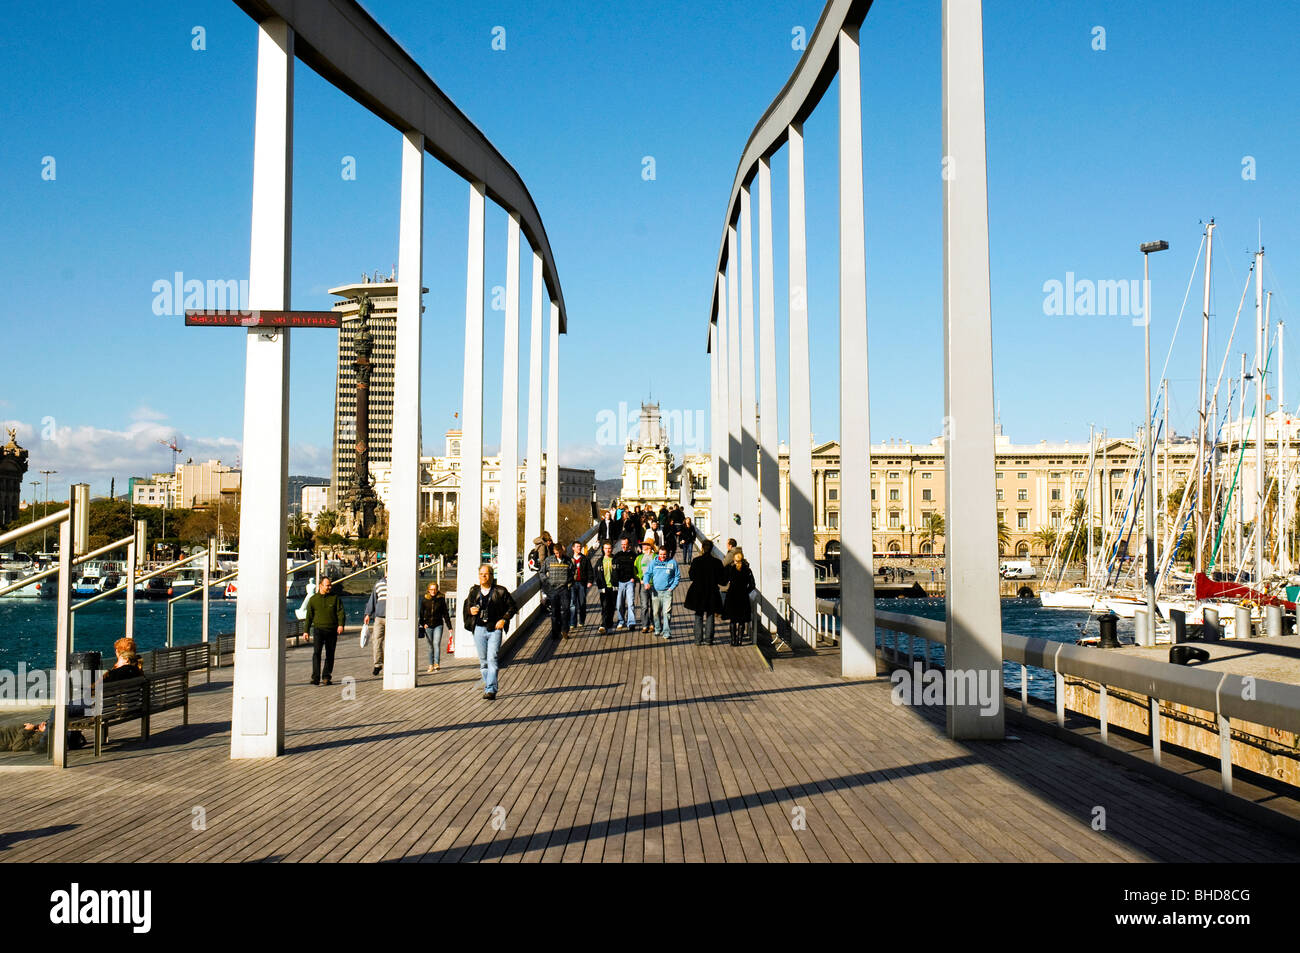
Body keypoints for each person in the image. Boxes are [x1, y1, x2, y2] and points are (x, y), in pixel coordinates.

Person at [462, 563, 518, 700]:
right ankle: (488, 686)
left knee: (492, 658)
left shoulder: (500, 591)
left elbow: (512, 607)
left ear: (492, 576)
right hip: (479, 629)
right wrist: (470, 610)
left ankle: (491, 689)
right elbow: (466, 606)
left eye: (486, 574)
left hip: (494, 629)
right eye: (481, 574)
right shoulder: (474, 592)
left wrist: (504, 619)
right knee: (483, 661)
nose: (483, 577)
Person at [303, 576, 345, 686]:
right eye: (327, 585)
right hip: (318, 630)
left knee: (330, 654)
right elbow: (309, 617)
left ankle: (326, 676)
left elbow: (340, 612)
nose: (329, 587)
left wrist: (341, 625)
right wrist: (306, 631)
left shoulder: (335, 598)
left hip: (331, 630)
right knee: (316, 653)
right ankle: (315, 677)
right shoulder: (313, 600)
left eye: (330, 585)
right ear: (321, 586)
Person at [684, 538, 723, 644]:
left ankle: (698, 639)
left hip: (698, 591)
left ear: (702, 548)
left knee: (698, 614)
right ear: (712, 549)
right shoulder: (717, 562)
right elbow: (721, 580)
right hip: (712, 592)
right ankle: (709, 639)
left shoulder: (696, 561)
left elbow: (691, 576)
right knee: (710, 614)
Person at [642, 544, 681, 640]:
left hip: (667, 592)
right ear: (658, 554)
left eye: (664, 554)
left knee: (666, 613)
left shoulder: (672, 563)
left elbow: (677, 576)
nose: (662, 556)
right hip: (656, 591)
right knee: (655, 612)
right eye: (660, 554)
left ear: (667, 554)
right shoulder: (653, 563)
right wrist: (646, 582)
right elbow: (647, 574)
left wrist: (672, 588)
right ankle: (658, 628)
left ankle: (666, 632)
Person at [722, 547, 756, 646]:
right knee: (741, 620)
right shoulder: (747, 570)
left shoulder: (730, 569)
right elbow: (752, 585)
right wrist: (746, 591)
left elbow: (723, 581)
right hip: (743, 596)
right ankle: (740, 641)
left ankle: (733, 640)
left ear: (734, 559)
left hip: (732, 596)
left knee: (733, 620)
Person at [540, 543, 574, 640]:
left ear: (562, 551)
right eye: (556, 553)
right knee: (555, 612)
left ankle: (564, 630)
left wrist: (569, 581)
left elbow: (572, 572)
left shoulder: (568, 560)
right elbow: (542, 572)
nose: (557, 555)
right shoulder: (549, 560)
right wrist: (547, 581)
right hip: (553, 589)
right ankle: (555, 632)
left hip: (564, 588)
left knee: (566, 609)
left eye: (559, 553)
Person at [420, 580, 451, 674]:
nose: (433, 591)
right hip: (428, 626)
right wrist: (423, 623)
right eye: (431, 589)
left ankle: (436, 663)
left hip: (438, 625)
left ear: (437, 590)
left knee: (436, 643)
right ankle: (430, 664)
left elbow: (445, 613)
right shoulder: (425, 600)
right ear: (428, 590)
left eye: (435, 589)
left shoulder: (441, 600)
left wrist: (449, 626)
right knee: (430, 646)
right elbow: (421, 613)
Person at [363, 573, 388, 676]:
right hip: (379, 617)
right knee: (376, 641)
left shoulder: (397, 583)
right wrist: (368, 614)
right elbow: (373, 599)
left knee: (389, 643)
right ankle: (378, 664)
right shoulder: (379, 584)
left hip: (392, 618)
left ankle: (388, 664)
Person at [612, 537, 639, 629]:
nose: (623, 546)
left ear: (629, 545)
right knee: (619, 603)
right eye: (622, 544)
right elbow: (613, 568)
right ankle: (621, 620)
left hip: (630, 581)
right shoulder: (617, 555)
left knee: (630, 602)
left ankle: (631, 622)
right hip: (620, 582)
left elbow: (637, 568)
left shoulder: (633, 555)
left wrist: (634, 578)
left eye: (625, 544)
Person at [594, 541, 618, 633]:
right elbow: (596, 574)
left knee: (612, 606)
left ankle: (610, 624)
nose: (608, 550)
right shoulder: (600, 561)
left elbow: (619, 572)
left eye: (609, 548)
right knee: (604, 606)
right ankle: (603, 625)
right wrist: (599, 585)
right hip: (604, 587)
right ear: (603, 549)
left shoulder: (615, 560)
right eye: (606, 548)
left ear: (612, 549)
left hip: (613, 587)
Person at [569, 540, 592, 628]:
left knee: (582, 603)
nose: (579, 548)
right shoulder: (569, 559)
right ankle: (572, 623)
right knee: (572, 604)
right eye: (577, 546)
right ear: (573, 548)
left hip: (582, 583)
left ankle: (581, 621)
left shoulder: (585, 558)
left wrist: (590, 581)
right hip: (572, 584)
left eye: (580, 546)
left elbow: (590, 570)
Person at [635, 541, 655, 633]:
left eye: (645, 544)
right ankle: (645, 625)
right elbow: (634, 570)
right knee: (644, 606)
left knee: (653, 606)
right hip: (643, 585)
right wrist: (639, 578)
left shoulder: (656, 557)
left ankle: (653, 624)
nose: (642, 546)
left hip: (654, 584)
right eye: (642, 545)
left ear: (650, 546)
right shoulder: (639, 558)